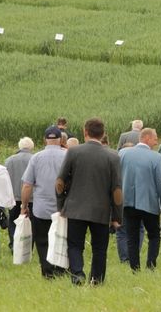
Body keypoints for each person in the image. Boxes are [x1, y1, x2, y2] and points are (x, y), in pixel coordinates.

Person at [56, 118, 123, 286]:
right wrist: (117, 216)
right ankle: (97, 279)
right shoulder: (113, 156)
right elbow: (117, 190)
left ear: (85, 132)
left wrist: (61, 205)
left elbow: (60, 182)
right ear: (103, 134)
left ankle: (77, 274)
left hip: (75, 208)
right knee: (100, 248)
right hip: (101, 210)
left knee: (75, 245)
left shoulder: (73, 152)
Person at [119, 129, 161, 272]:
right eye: (155, 138)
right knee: (154, 235)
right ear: (146, 138)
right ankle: (150, 265)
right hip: (149, 203)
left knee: (131, 236)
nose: (157, 141)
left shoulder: (122, 154)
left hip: (127, 202)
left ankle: (135, 268)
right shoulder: (156, 157)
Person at [21, 126, 67, 278]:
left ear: (45, 140)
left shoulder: (36, 157)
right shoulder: (68, 155)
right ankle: (61, 269)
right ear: (60, 139)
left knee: (42, 241)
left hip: (41, 208)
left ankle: (47, 271)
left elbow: (27, 185)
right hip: (63, 207)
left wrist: (24, 206)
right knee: (62, 238)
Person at [5, 136, 34, 251]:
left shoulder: (9, 160)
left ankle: (14, 244)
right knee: (30, 222)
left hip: (13, 197)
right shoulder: (34, 159)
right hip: (31, 197)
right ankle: (27, 246)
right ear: (31, 147)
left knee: (12, 221)